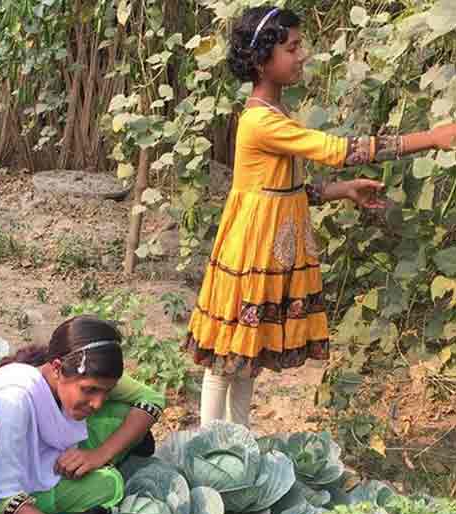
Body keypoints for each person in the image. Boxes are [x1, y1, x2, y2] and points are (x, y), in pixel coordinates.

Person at [185, 5, 456, 427]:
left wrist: (339, 191)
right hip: (250, 252)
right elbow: (339, 151)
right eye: (292, 48)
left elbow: (282, 190)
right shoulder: (260, 121)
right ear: (262, 59)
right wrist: (431, 138)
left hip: (265, 250)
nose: (302, 55)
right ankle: (209, 444)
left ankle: (238, 441)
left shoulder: (274, 114)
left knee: (247, 356)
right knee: (226, 358)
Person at [0, 316, 165, 514]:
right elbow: (1, 500)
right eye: (90, 390)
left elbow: (152, 400)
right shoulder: (14, 400)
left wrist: (100, 455)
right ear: (57, 367)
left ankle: (80, 475)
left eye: (106, 391)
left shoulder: (74, 370)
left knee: (124, 412)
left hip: (40, 460)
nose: (97, 403)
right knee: (108, 484)